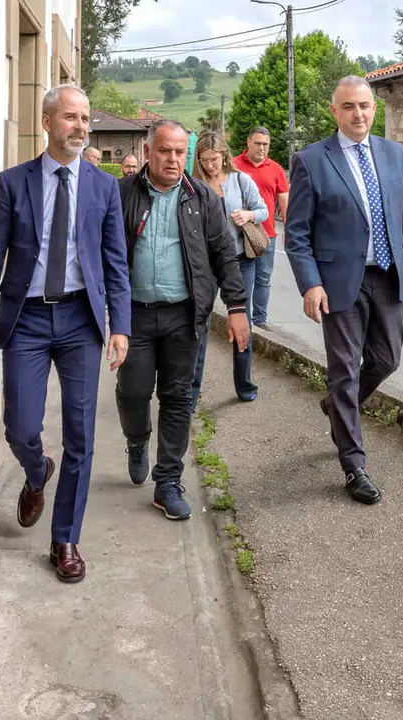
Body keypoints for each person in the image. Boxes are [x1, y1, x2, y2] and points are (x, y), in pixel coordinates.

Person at [0, 83, 131, 583]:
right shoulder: (13, 183)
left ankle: (65, 539)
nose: (81, 127)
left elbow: (115, 262)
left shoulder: (103, 187)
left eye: (85, 119)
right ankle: (37, 471)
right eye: (70, 118)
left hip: (82, 319)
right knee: (20, 426)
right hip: (28, 320)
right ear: (46, 122)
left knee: (81, 435)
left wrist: (119, 325)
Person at [284, 75, 403, 505]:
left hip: (387, 277)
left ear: (374, 108)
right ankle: (354, 465)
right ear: (335, 111)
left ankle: (337, 405)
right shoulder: (312, 160)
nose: (359, 114)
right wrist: (310, 283)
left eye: (365, 106)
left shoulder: (394, 155)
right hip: (337, 283)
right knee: (345, 371)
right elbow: (296, 233)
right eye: (349, 106)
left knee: (387, 360)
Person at [116, 119, 250, 521]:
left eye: (179, 152)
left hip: (183, 315)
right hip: (135, 315)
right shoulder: (121, 193)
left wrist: (238, 307)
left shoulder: (203, 199)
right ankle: (137, 440)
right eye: (164, 151)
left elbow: (225, 252)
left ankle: (168, 482)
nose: (173, 159)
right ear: (148, 151)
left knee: (178, 398)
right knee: (134, 391)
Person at [190, 130, 269, 408]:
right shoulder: (193, 185)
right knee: (198, 324)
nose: (210, 165)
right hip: (205, 265)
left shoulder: (240, 180)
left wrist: (248, 215)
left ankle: (244, 384)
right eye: (205, 160)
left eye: (214, 159)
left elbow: (263, 211)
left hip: (239, 261)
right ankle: (192, 390)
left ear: (224, 156)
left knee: (242, 324)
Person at [234, 127, 288, 330]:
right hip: (240, 233)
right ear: (248, 142)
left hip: (266, 233)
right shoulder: (234, 165)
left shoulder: (275, 169)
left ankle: (260, 320)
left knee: (263, 279)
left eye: (266, 144)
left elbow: (284, 199)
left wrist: (288, 227)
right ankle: (244, 320)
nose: (262, 148)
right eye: (258, 143)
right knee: (242, 281)